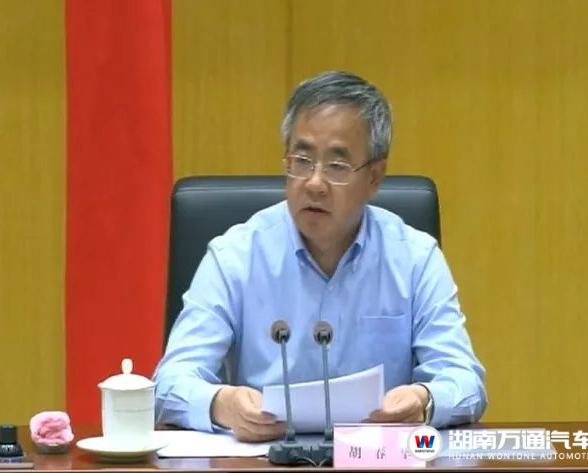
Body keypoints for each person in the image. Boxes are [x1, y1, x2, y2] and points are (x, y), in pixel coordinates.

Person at [153, 70, 487, 442]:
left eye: (337, 166)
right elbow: (169, 383)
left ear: (374, 177)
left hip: (377, 460)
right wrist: (222, 404)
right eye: (301, 160)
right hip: (264, 459)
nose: (314, 183)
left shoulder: (415, 259)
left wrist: (424, 399)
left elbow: (464, 380)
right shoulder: (236, 255)